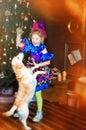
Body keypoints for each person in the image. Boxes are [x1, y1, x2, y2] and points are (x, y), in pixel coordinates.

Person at [16, 21, 54, 122]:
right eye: (33, 38)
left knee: (37, 94)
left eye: (37, 38)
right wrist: (18, 34)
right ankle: (22, 111)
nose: (34, 40)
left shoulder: (43, 49)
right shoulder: (31, 47)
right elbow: (19, 44)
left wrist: (38, 65)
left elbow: (48, 62)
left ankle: (39, 113)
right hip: (30, 70)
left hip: (39, 72)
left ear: (41, 39)